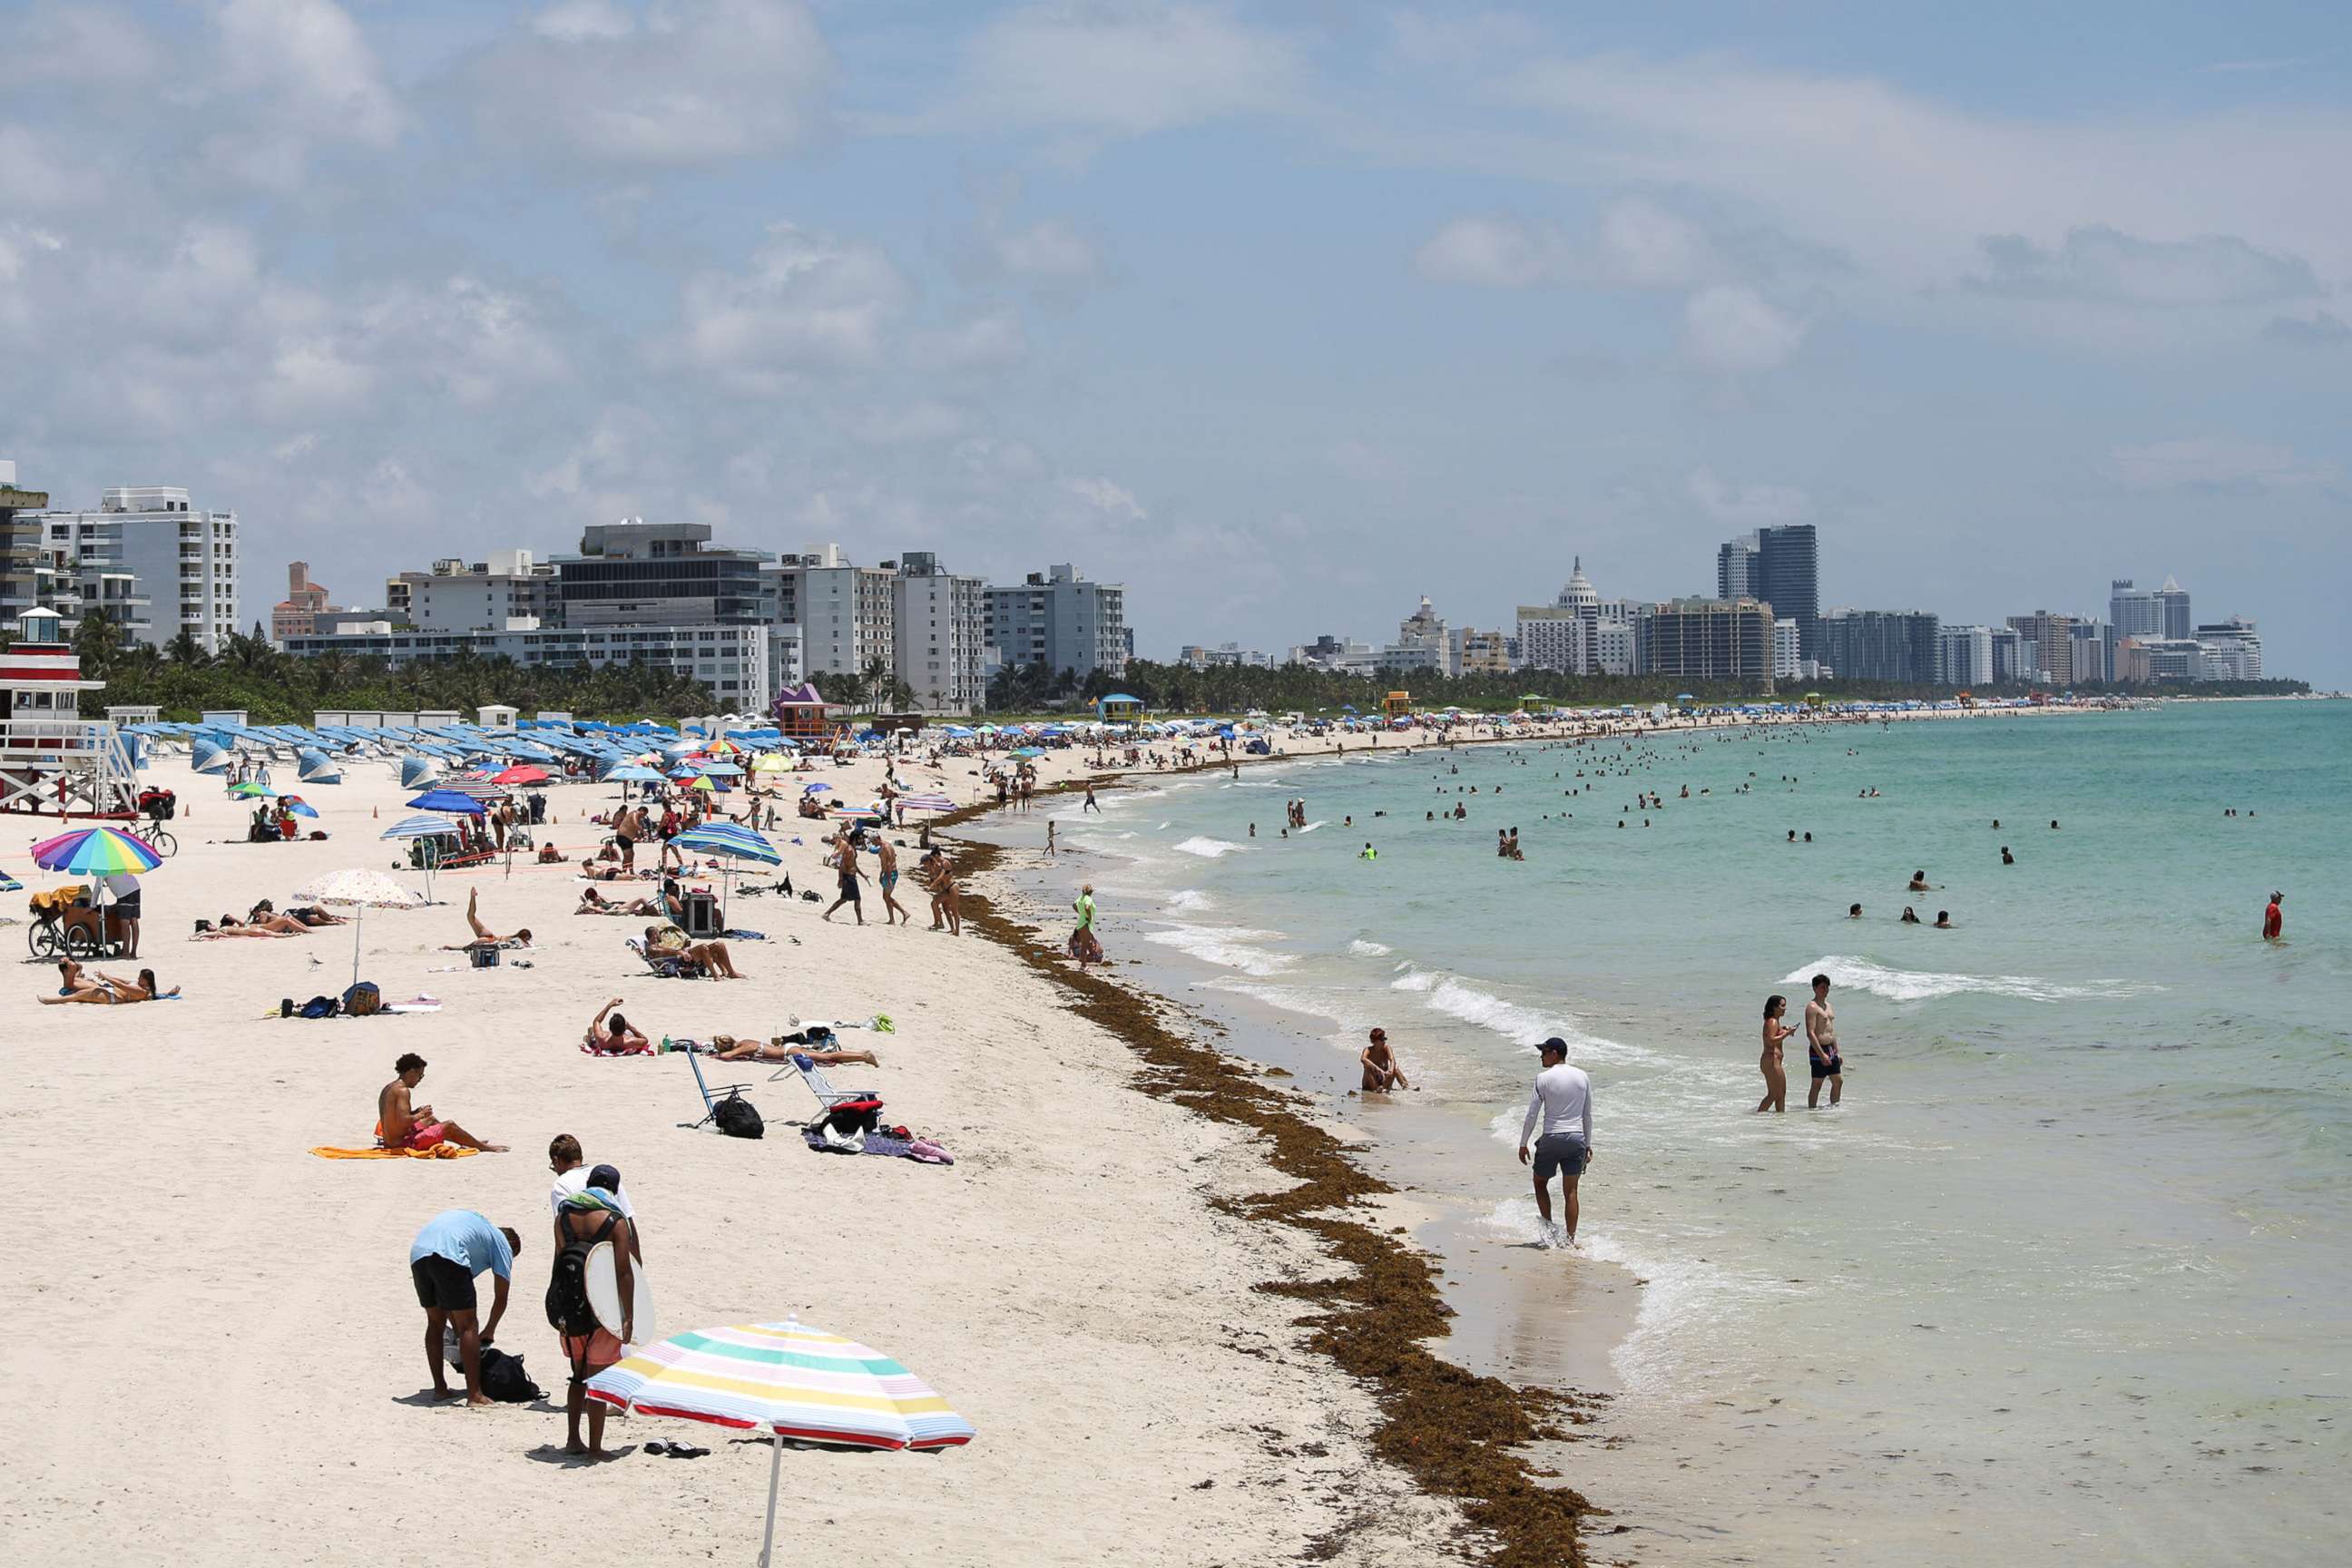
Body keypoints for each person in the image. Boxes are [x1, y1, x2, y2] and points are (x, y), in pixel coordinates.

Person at [552, 1174, 634, 1457]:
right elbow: (624, 1271)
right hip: (602, 1306)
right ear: (613, 1188)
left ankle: (573, 1439)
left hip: (571, 1307)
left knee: (577, 1375)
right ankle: (595, 1448)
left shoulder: (564, 1216)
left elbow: (560, 1260)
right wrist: (629, 1315)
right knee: (599, 1379)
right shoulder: (615, 1221)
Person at [408, 1209, 522, 1408]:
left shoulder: (478, 1231)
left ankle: (440, 1389)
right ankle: (475, 1395)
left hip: (419, 1252)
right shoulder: (503, 1245)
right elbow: (501, 1297)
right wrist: (489, 1330)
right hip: (448, 1252)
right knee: (470, 1325)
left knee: (435, 1322)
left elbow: (452, 1300)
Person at [1516, 1038, 1593, 1248]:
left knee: (1540, 1182)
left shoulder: (1543, 1078)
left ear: (1556, 1054)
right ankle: (1570, 1241)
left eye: (1545, 1051)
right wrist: (1587, 1144)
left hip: (1552, 1138)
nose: (1541, 1055)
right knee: (1571, 1192)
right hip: (1576, 1138)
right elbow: (1587, 1114)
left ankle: (1549, 1230)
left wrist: (1523, 1143)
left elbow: (1532, 1113)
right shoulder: (1582, 1076)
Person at [378, 1053, 505, 1152]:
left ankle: (470, 1142)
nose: (420, 1080)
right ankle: (485, 1148)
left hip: (390, 1140)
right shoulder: (403, 1091)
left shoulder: (389, 1088)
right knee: (449, 1125)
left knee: (431, 1120)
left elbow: (396, 1117)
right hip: (402, 1144)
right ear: (412, 1072)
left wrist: (416, 1112)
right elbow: (403, 1121)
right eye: (420, 1076)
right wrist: (421, 1114)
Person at [710, 1034, 880, 1067]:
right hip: (788, 1050)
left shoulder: (743, 1048)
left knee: (829, 1056)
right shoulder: (744, 1042)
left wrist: (716, 1055)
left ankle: (863, 1056)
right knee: (827, 1057)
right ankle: (862, 1055)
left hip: (789, 1053)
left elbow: (726, 1057)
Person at [442, 887, 531, 951]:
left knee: (470, 916)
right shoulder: (518, 940)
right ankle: (450, 948)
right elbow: (525, 945)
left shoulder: (514, 937)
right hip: (491, 940)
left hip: (490, 936)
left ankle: (473, 897)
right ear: (525, 937)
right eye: (528, 938)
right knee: (468, 947)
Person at [642, 924, 745, 978]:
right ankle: (715, 975)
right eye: (658, 932)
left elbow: (667, 950)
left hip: (681, 958)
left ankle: (730, 972)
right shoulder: (651, 948)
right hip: (679, 963)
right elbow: (663, 952)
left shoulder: (659, 945)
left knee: (719, 945)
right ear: (655, 935)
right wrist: (680, 952)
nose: (660, 934)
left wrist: (683, 949)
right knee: (703, 948)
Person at [1803, 974, 1844, 1108]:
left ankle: (1834, 1108)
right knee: (1817, 1083)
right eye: (1822, 987)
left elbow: (1831, 1031)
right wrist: (1821, 1054)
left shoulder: (1829, 1006)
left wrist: (1837, 1052)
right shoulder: (1812, 1007)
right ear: (1815, 988)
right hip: (1818, 1048)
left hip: (1831, 1048)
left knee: (1838, 1081)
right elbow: (1810, 1033)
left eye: (1827, 987)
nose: (1825, 990)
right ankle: (1812, 1111)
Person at [1758, 995, 1796, 1112]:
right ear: (1774, 1007)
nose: (1785, 1008)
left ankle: (1779, 1120)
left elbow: (1774, 1033)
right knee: (1774, 1094)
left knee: (1781, 1093)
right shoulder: (1773, 1021)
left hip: (1773, 1061)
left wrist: (1784, 1029)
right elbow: (1771, 1040)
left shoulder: (1775, 1022)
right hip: (1771, 1060)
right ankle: (1759, 1116)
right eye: (1782, 1006)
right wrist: (1787, 1033)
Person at [823, 838, 868, 925]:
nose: (861, 841)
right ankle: (860, 921)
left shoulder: (853, 850)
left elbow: (854, 865)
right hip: (849, 878)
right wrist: (840, 879)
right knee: (857, 898)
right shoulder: (849, 850)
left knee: (844, 899)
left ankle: (827, 914)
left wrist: (863, 875)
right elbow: (842, 865)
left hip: (850, 877)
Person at [922, 848, 962, 936]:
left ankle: (957, 932)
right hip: (947, 889)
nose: (933, 859)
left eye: (933, 857)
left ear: (936, 855)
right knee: (938, 905)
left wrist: (931, 886)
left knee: (954, 911)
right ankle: (949, 928)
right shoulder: (940, 864)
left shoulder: (945, 863)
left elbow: (940, 877)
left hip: (953, 887)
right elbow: (935, 875)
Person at [583, 998, 648, 1053]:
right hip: (622, 1041)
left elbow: (597, 1021)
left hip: (604, 1042)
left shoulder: (602, 1038)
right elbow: (645, 1040)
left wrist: (609, 1005)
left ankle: (589, 1035)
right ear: (624, 1029)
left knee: (592, 1031)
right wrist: (630, 1027)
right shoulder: (629, 1041)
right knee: (630, 1033)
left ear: (610, 1028)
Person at [103, 869, 141, 958]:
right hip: (136, 888)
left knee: (125, 923)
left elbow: (97, 888)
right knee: (134, 920)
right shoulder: (117, 862)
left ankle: (125, 953)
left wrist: (92, 905)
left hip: (124, 894)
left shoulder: (102, 869)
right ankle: (133, 953)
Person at [1359, 1028, 1410, 1092]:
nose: (1384, 1041)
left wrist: (1391, 1070)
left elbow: (1392, 1059)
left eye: (1384, 1039)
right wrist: (1378, 1069)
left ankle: (1405, 1085)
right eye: (1382, 1039)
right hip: (1370, 1082)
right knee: (1367, 1068)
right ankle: (1377, 1089)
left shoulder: (1386, 1048)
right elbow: (1363, 1059)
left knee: (1395, 1067)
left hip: (1384, 1081)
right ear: (1374, 1041)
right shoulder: (1368, 1050)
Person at [876, 836, 911, 926]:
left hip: (891, 873)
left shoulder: (887, 847)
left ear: (877, 839)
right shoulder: (884, 846)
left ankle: (903, 913)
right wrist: (881, 874)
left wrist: (889, 877)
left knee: (886, 896)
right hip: (887, 873)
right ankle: (893, 918)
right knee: (886, 897)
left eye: (873, 842)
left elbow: (890, 862)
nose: (873, 844)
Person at [1069, 883, 1103, 967]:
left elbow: (1074, 905)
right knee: (1084, 946)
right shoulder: (1088, 899)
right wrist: (1089, 916)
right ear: (1091, 892)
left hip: (1081, 923)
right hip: (1086, 923)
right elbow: (1087, 907)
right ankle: (1083, 966)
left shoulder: (1080, 898)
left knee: (1085, 945)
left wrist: (1080, 913)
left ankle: (1083, 965)